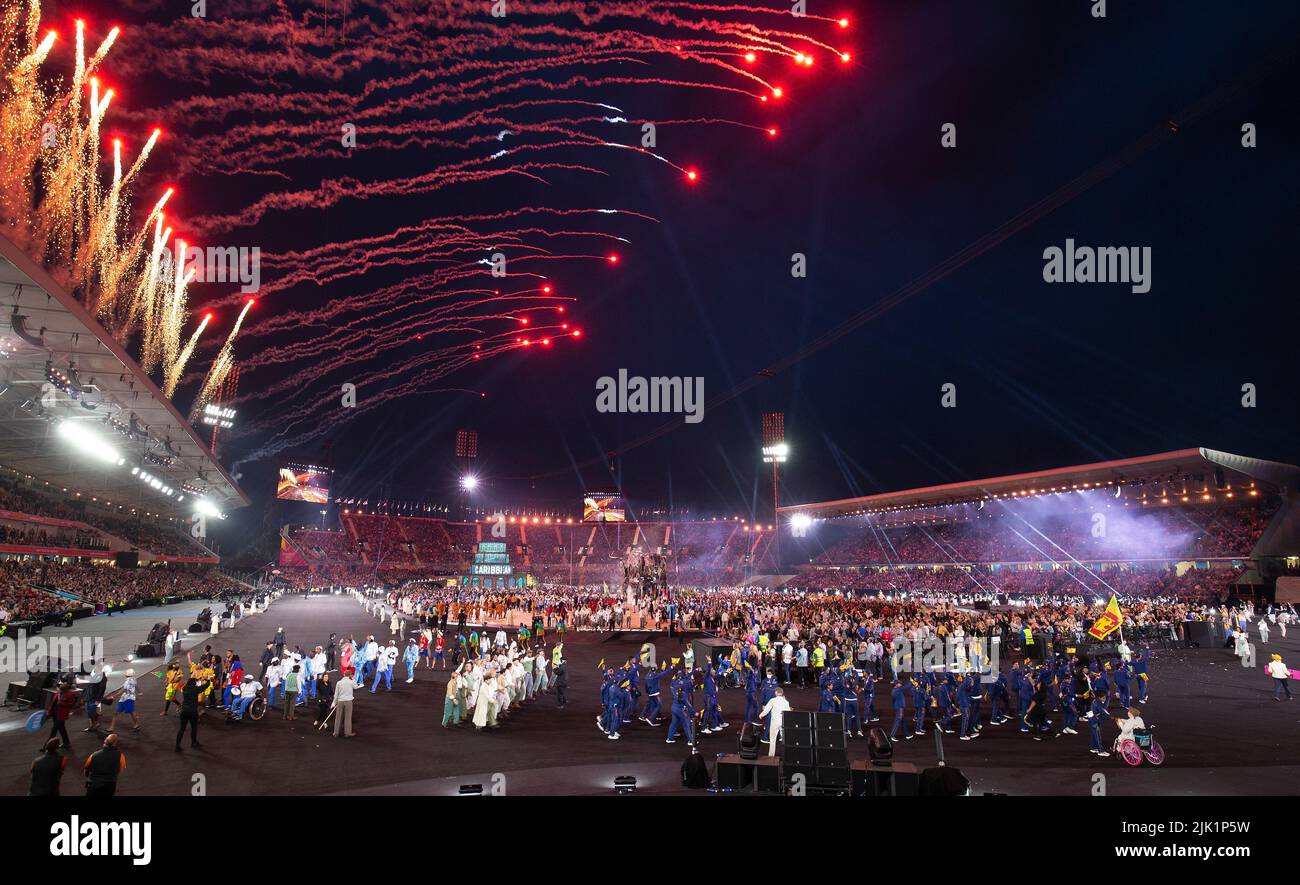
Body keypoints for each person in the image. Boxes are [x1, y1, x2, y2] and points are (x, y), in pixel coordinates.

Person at [176, 675, 206, 752]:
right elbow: (205, 686)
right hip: (192, 712)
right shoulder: (195, 689)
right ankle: (193, 742)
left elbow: (185, 684)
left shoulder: (184, 688)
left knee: (181, 729)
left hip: (184, 711)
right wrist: (208, 680)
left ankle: (177, 745)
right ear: (194, 684)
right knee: (194, 728)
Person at [758, 687, 792, 757]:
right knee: (784, 740)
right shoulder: (786, 702)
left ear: (776, 693)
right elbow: (788, 712)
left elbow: (766, 710)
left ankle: (771, 756)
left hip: (775, 723)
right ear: (782, 693)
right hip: (783, 722)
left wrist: (761, 715)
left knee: (773, 740)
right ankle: (786, 755)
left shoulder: (772, 700)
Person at [47, 677, 78, 751]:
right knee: (61, 728)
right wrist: (49, 711)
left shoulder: (71, 694)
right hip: (55, 713)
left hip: (61, 715)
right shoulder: (58, 693)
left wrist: (61, 703)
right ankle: (66, 742)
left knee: (54, 730)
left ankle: (46, 746)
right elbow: (53, 703)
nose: (59, 688)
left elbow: (71, 704)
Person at [107, 669, 141, 733]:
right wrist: (139, 692)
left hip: (126, 698)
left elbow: (122, 690)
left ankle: (112, 727)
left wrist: (113, 696)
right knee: (131, 712)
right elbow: (137, 686)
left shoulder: (127, 681)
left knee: (117, 713)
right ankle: (136, 724)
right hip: (129, 698)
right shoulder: (134, 679)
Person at [332, 666, 357, 737]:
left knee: (338, 717)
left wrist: (334, 702)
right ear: (350, 675)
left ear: (344, 674)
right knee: (348, 717)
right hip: (348, 701)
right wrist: (353, 679)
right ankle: (347, 733)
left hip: (340, 701)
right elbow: (356, 687)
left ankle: (336, 733)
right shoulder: (351, 682)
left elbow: (336, 694)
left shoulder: (339, 683)